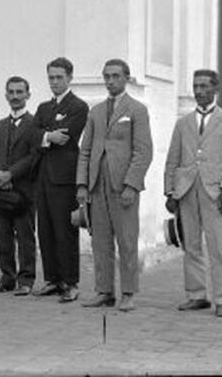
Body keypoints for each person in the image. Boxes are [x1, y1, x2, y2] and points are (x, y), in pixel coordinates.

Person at [164, 69, 222, 318]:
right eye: (195, 86)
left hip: (217, 193)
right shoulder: (183, 123)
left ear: (215, 89)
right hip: (186, 191)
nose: (198, 91)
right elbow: (172, 159)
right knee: (191, 245)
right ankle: (197, 295)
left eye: (204, 86)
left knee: (220, 247)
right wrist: (170, 191)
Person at [76, 59, 152, 312]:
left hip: (123, 186)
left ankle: (128, 292)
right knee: (100, 241)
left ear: (126, 78)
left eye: (115, 76)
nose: (110, 81)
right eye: (106, 76)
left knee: (127, 240)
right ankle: (104, 291)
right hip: (97, 185)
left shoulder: (137, 110)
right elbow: (85, 151)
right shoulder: (95, 111)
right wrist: (82, 185)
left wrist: (132, 184)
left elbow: (143, 151)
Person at [31, 58, 89, 302]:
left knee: (64, 231)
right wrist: (47, 135)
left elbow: (66, 135)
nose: (54, 82)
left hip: (64, 178)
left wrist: (46, 135)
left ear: (69, 78)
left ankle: (70, 282)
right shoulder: (44, 107)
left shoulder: (78, 106)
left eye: (59, 78)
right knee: (45, 231)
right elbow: (29, 135)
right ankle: (52, 279)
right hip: (42, 176)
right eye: (51, 78)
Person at [0, 76, 43, 296]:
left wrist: (11, 173)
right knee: (3, 236)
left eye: (20, 92)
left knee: (26, 236)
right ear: (6, 95)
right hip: (1, 190)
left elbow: (33, 156)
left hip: (25, 190)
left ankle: (26, 279)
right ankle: (7, 277)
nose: (15, 96)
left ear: (28, 95)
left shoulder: (35, 124)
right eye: (11, 92)